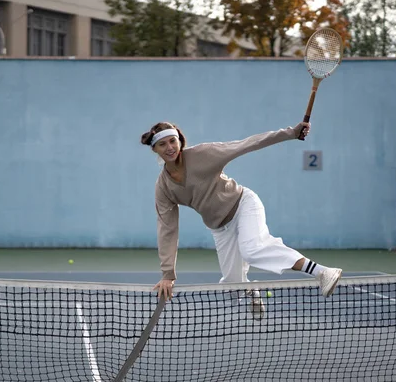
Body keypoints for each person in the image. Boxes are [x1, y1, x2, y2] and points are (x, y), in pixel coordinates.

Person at [141, 121, 342, 320]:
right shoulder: (163, 187)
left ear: (180, 141)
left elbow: (247, 143)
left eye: (173, 141)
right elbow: (167, 229)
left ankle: (322, 272)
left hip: (243, 205)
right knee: (233, 288)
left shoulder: (203, 154)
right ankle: (251, 289)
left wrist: (291, 133)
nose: (170, 148)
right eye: (163, 144)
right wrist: (168, 274)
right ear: (155, 149)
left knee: (253, 250)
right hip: (220, 227)